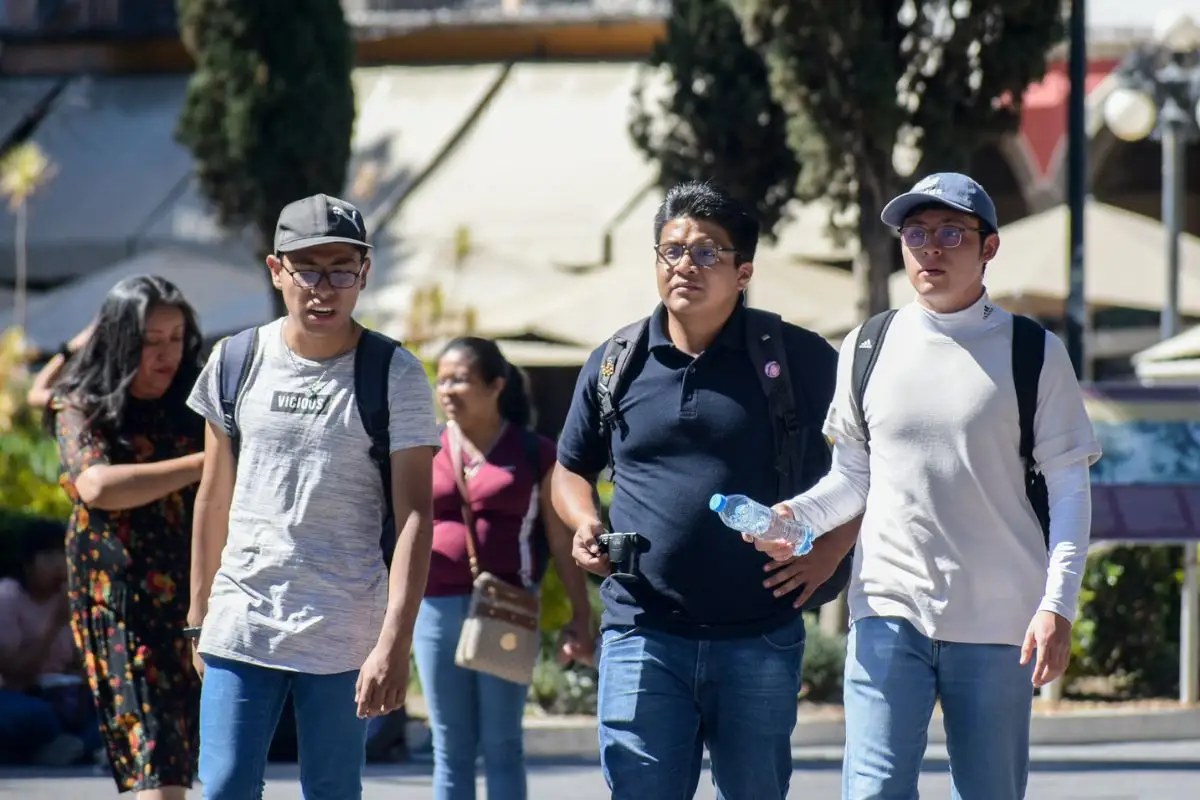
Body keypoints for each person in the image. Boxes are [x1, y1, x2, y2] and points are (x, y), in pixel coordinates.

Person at [756, 172, 1102, 800]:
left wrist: (1058, 605)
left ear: (988, 247)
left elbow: (1071, 489)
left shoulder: (1033, 351)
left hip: (1001, 619)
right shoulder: (868, 343)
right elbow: (854, 478)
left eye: (951, 233)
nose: (931, 249)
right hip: (889, 605)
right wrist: (796, 518)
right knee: (873, 790)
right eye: (916, 234)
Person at [552, 180, 859, 799]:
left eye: (707, 253)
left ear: (743, 271)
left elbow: (871, 465)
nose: (685, 265)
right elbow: (568, 470)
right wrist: (583, 519)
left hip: (760, 635)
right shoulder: (615, 361)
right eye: (672, 250)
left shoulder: (798, 358)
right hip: (642, 630)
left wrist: (831, 551)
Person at [186, 193, 440, 800]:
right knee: (222, 787)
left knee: (331, 788)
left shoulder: (395, 374)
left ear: (365, 272)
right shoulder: (236, 360)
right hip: (240, 619)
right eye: (308, 269)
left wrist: (394, 642)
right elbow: (213, 498)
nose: (324, 289)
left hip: (344, 625)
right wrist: (199, 620)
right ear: (277, 271)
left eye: (341, 270)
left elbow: (414, 517)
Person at [48, 275, 206, 798]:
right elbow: (96, 485)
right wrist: (206, 463)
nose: (166, 355)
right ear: (119, 341)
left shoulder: (200, 397)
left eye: (175, 338)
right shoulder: (80, 402)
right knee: (159, 766)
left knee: (198, 759)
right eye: (149, 342)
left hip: (201, 600)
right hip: (121, 604)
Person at [420, 336, 596, 800]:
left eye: (460, 379)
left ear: (496, 385)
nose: (447, 390)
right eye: (442, 380)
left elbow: (560, 539)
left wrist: (582, 615)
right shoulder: (425, 449)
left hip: (508, 606)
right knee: (450, 745)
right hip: (434, 606)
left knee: (502, 742)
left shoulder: (536, 452)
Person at [0, 515, 100, 767]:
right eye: (49, 556)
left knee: (112, 707)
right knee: (36, 715)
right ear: (27, 563)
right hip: (18, 695)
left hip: (61, 695)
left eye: (63, 555)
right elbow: (14, 674)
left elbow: (81, 665)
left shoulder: (70, 597)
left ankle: (73, 746)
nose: (59, 565)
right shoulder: (8, 597)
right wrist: (55, 625)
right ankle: (76, 746)